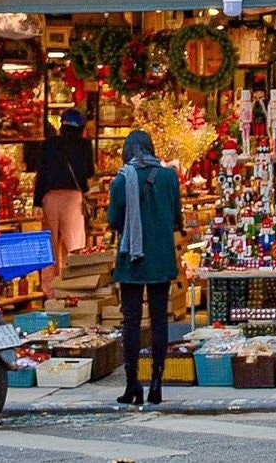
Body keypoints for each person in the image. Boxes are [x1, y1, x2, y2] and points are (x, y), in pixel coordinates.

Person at [106, 130, 182, 407]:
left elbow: (114, 219)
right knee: (160, 320)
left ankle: (132, 382)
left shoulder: (121, 180)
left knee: (131, 322)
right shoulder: (169, 177)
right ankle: (157, 383)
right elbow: (177, 216)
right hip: (161, 256)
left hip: (131, 259)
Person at [30, 110, 94, 294]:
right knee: (74, 244)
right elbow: (88, 173)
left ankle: (49, 290)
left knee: (50, 245)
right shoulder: (84, 145)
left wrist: (37, 202)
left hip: (49, 198)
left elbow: (40, 175)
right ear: (81, 127)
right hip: (73, 198)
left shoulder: (48, 145)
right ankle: (73, 287)